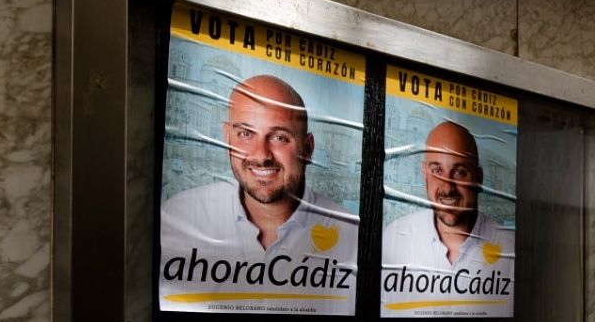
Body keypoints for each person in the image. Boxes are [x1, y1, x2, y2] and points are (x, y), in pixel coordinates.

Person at [161, 74, 356, 260]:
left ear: (307, 148)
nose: (262, 156)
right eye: (246, 134)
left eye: (279, 137)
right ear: (227, 138)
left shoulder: (351, 237)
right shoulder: (180, 217)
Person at [382, 120, 515, 272]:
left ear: (479, 179)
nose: (447, 188)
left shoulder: (509, 249)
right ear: (424, 175)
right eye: (437, 171)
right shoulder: (394, 239)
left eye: (459, 172)